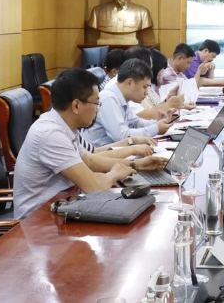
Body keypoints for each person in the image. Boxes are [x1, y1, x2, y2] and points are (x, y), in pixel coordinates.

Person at [13, 68, 169, 219]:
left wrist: (136, 164)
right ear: (76, 105)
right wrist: (115, 174)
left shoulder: (64, 125)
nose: (98, 110)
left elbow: (90, 160)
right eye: (96, 104)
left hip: (63, 206)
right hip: (38, 221)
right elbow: (94, 187)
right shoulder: (51, 134)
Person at [83, 59, 172, 147]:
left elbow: (136, 123)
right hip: (100, 153)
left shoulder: (121, 97)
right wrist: (156, 128)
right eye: (144, 87)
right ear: (130, 83)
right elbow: (121, 136)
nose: (147, 93)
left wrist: (158, 122)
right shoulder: (108, 98)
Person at [124, 46, 184, 119]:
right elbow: (145, 116)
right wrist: (169, 104)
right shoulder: (129, 88)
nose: (150, 73)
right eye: (149, 69)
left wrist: (168, 100)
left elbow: (155, 108)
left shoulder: (145, 85)